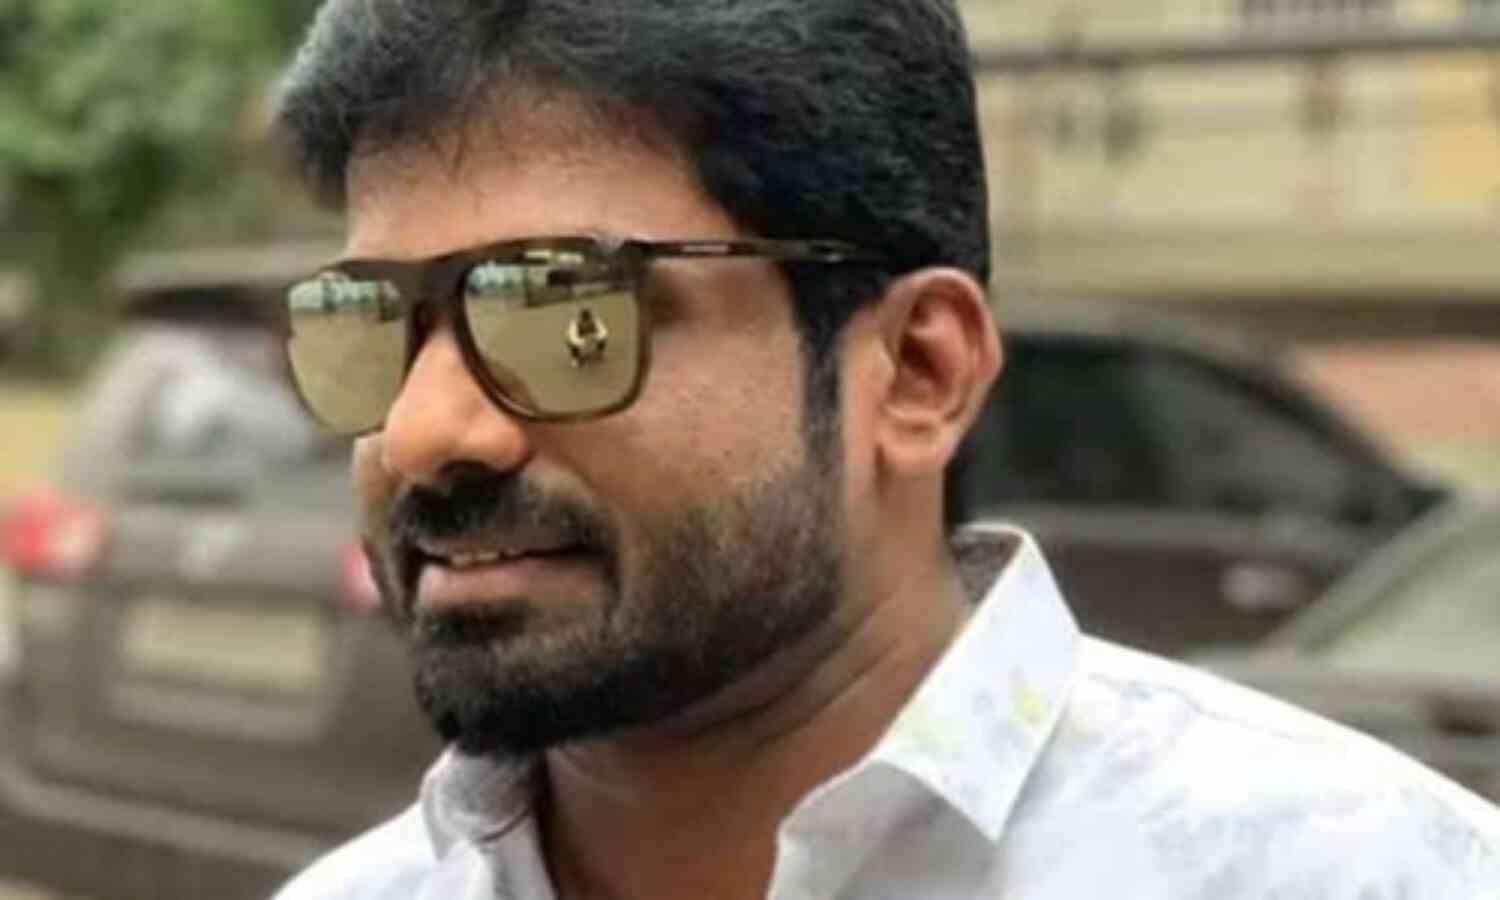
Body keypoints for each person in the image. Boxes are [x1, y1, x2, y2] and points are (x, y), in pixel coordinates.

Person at [270, 1, 1500, 897]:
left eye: (562, 311)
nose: (423, 432)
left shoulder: (1354, 873)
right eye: (368, 320)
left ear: (919, 372)